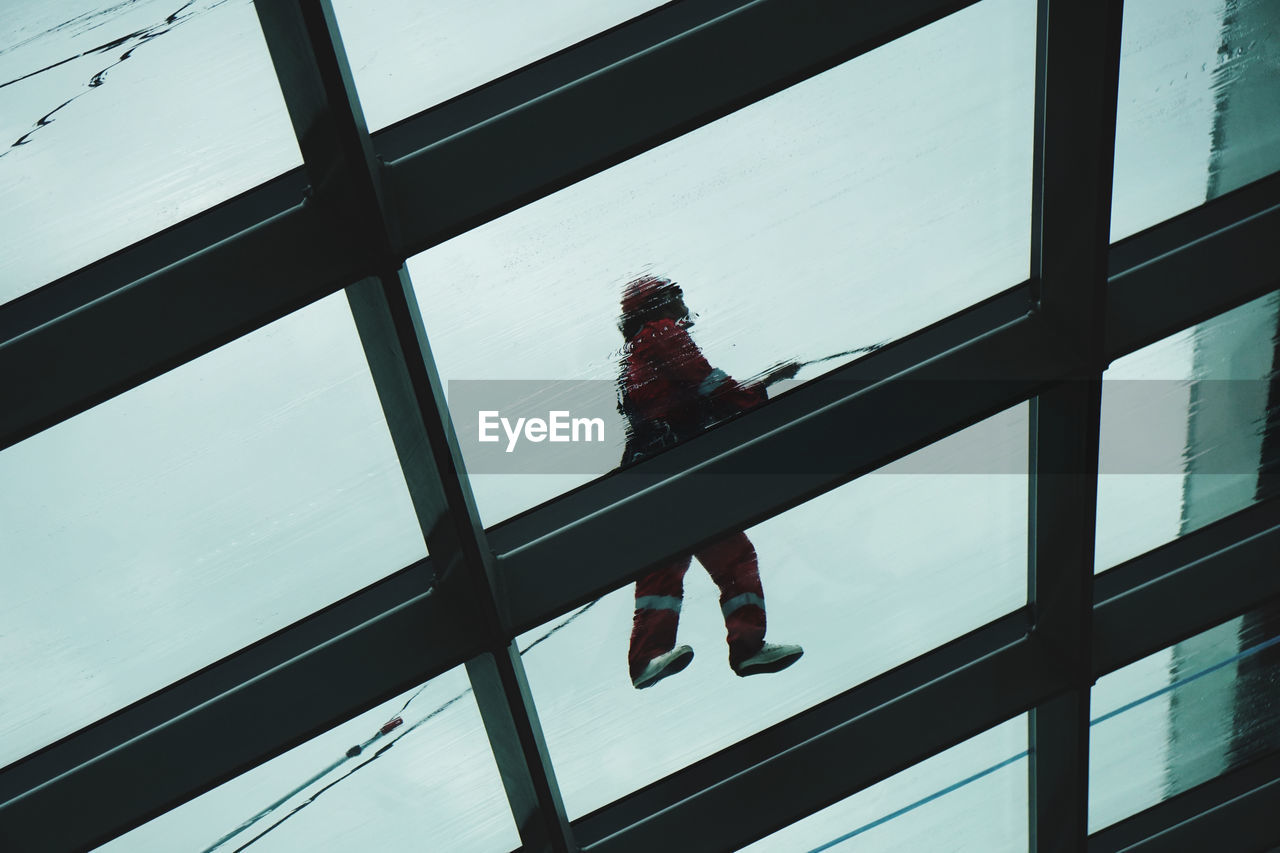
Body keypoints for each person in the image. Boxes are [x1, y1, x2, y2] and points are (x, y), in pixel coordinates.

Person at [616, 275, 804, 689]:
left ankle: (655, 656)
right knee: (727, 560)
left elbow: (695, 397)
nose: (683, 303)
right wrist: (760, 397)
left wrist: (762, 386)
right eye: (675, 296)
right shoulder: (661, 333)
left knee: (683, 563)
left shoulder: (638, 349)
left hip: (661, 470)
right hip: (674, 471)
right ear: (659, 303)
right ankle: (743, 649)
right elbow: (708, 385)